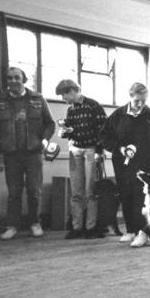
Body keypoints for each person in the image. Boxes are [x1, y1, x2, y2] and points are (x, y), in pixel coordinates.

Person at [99, 82, 150, 247]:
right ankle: (130, 230)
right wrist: (119, 149)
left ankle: (142, 232)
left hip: (144, 164)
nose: (140, 104)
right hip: (122, 163)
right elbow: (104, 135)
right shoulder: (118, 115)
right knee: (125, 195)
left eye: (143, 100)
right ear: (130, 97)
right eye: (137, 100)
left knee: (141, 198)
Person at [0, 67, 55, 240]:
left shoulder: (38, 99)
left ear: (24, 80)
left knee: (34, 190)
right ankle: (12, 226)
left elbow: (50, 124)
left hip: (33, 153)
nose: (13, 81)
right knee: (14, 192)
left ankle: (35, 224)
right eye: (9, 78)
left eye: (16, 77)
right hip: (11, 154)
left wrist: (44, 141)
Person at [55, 79, 107, 239]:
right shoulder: (70, 110)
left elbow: (103, 129)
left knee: (90, 191)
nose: (64, 100)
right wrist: (65, 132)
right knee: (76, 191)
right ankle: (77, 227)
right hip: (74, 150)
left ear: (72, 91)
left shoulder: (93, 105)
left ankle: (90, 227)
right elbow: (69, 131)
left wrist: (99, 151)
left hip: (91, 150)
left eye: (65, 96)